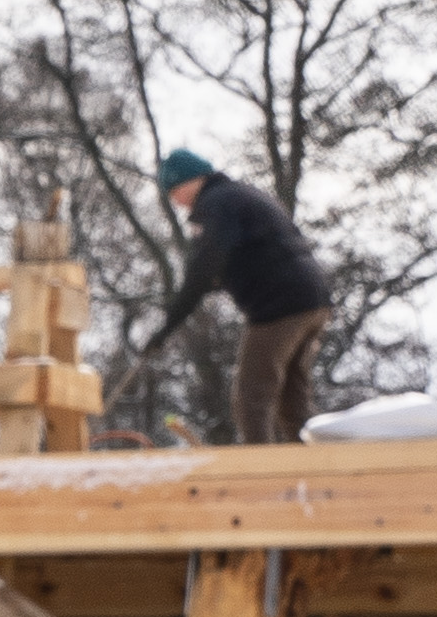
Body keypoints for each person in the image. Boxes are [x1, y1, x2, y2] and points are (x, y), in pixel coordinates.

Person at [135, 147, 334, 443]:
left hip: (278, 305)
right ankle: (311, 468)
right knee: (293, 396)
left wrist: (168, 325)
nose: (175, 201)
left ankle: (260, 473)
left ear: (190, 180)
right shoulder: (238, 195)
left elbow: (206, 263)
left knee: (252, 394)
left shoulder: (216, 203)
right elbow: (245, 254)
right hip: (312, 299)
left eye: (174, 191)